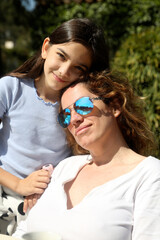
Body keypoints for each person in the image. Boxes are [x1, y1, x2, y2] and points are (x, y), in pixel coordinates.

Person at [13, 71, 160, 240]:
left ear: (115, 106)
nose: (74, 119)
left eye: (83, 106)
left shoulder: (149, 175)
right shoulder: (64, 168)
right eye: (65, 116)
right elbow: (23, 232)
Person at [0, 18, 109, 235]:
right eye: (61, 56)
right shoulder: (11, 88)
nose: (64, 70)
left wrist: (46, 184)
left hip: (41, 203)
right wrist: (20, 185)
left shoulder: (76, 110)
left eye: (78, 68)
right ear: (46, 48)